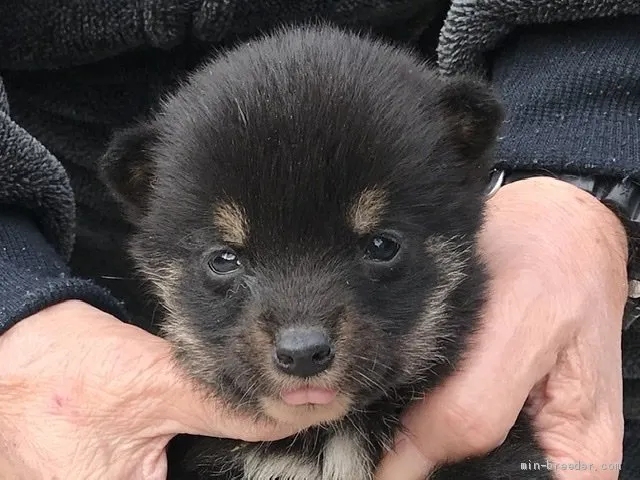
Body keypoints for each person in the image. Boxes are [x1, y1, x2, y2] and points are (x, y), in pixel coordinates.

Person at [0, 1, 638, 479]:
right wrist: (12, 294)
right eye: (226, 262)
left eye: (380, 247)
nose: (300, 337)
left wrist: (580, 157)